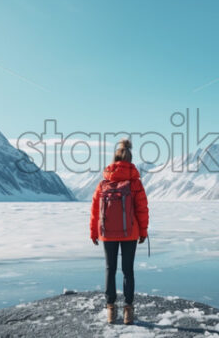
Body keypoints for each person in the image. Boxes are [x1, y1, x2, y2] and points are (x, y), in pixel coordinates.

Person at [90, 139, 149, 325]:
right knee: (127, 270)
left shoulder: (103, 183)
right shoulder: (135, 183)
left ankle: (110, 309)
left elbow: (94, 210)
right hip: (130, 233)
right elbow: (142, 209)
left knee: (110, 269)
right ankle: (128, 311)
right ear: (131, 160)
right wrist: (143, 232)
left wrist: (94, 232)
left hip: (107, 233)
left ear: (113, 160)